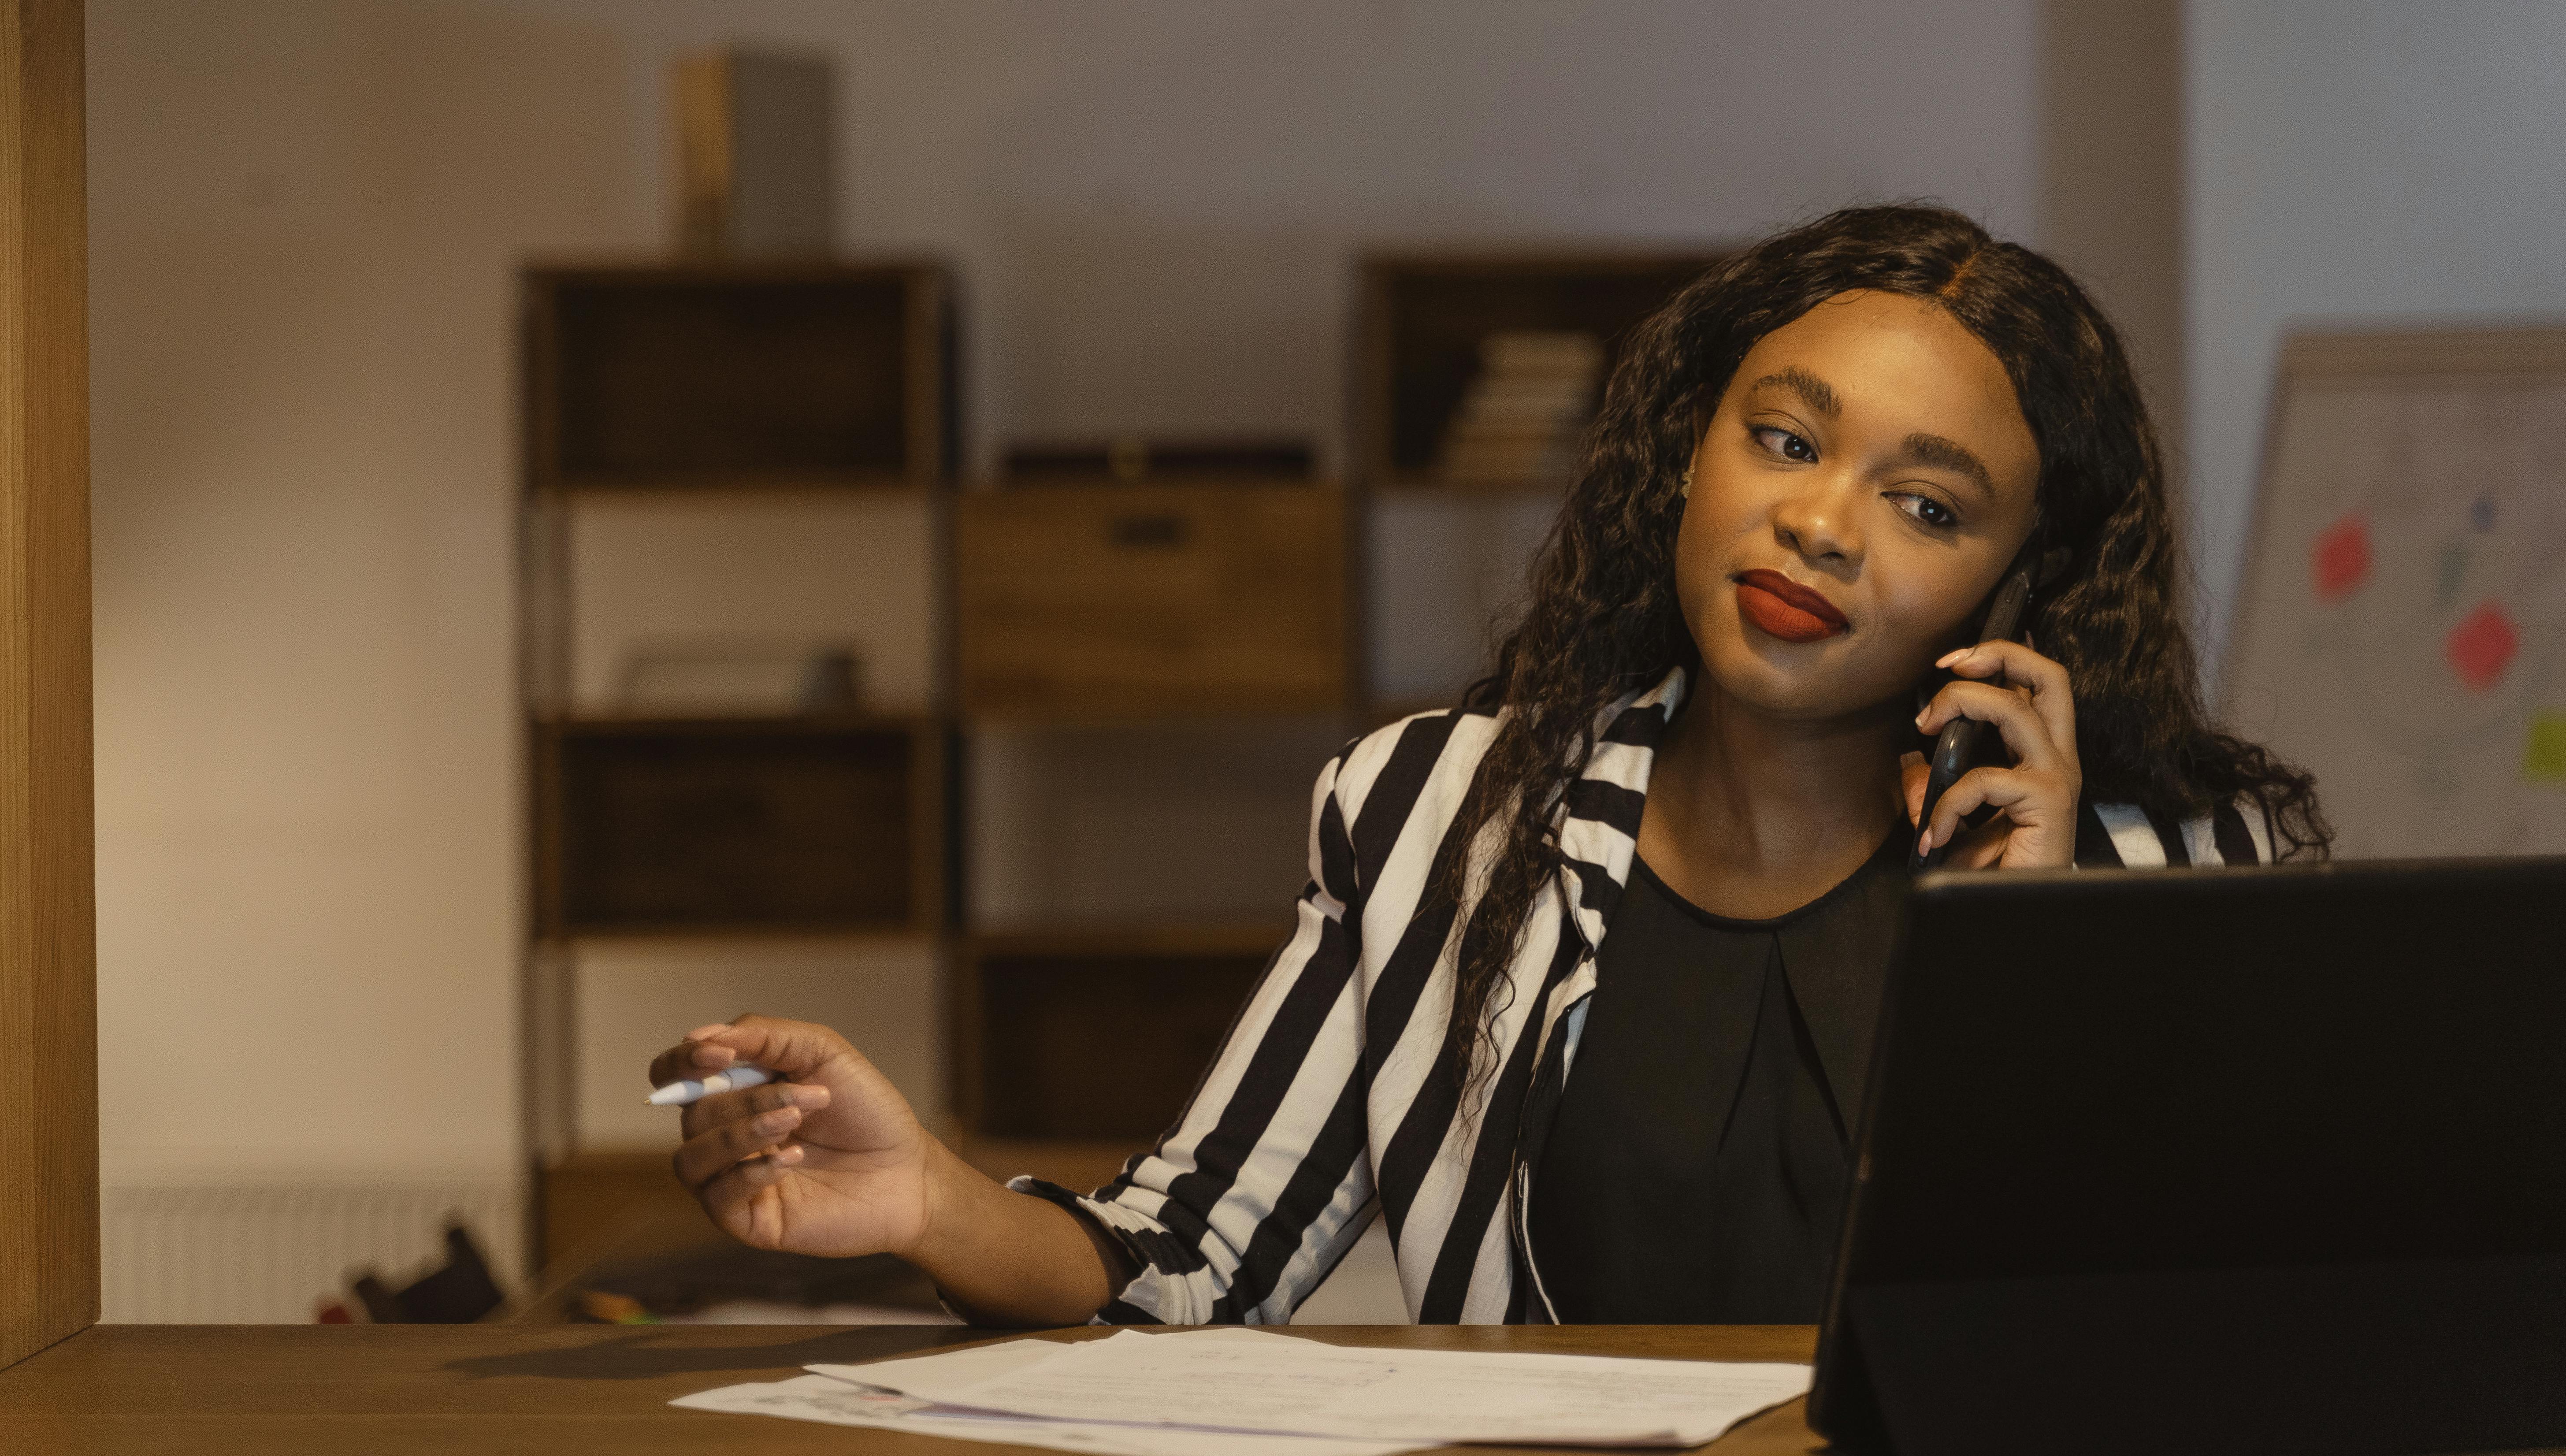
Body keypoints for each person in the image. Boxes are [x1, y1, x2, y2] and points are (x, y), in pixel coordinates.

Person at [646, 204, 2328, 1326]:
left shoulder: (2180, 860)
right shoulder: (1437, 817)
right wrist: (926, 1194)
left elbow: (2250, 1335)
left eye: (1927, 502)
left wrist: (2036, 956)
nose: (1819, 520)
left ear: (2017, 587)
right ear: (1688, 453)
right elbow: (1187, 1264)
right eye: (1788, 438)